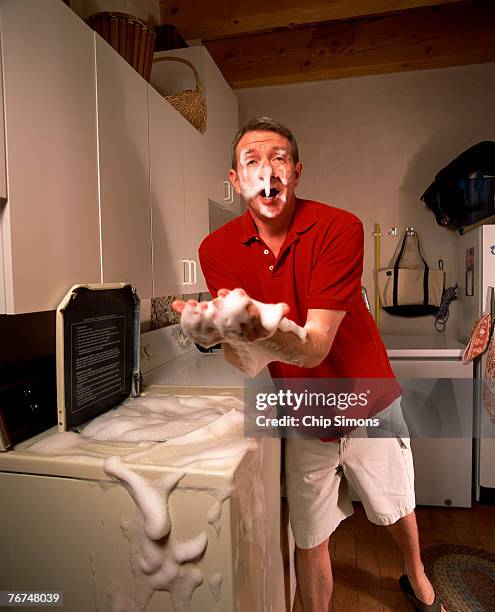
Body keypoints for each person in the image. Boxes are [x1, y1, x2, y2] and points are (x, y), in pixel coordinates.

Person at [172, 117, 443, 612]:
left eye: (277, 159)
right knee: (309, 532)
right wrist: (218, 334)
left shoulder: (339, 228)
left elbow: (315, 346)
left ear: (295, 171)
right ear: (235, 180)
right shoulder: (217, 250)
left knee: (395, 506)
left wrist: (251, 327)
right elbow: (246, 360)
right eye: (251, 162)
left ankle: (416, 572)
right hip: (301, 412)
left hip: (368, 399)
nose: (265, 173)